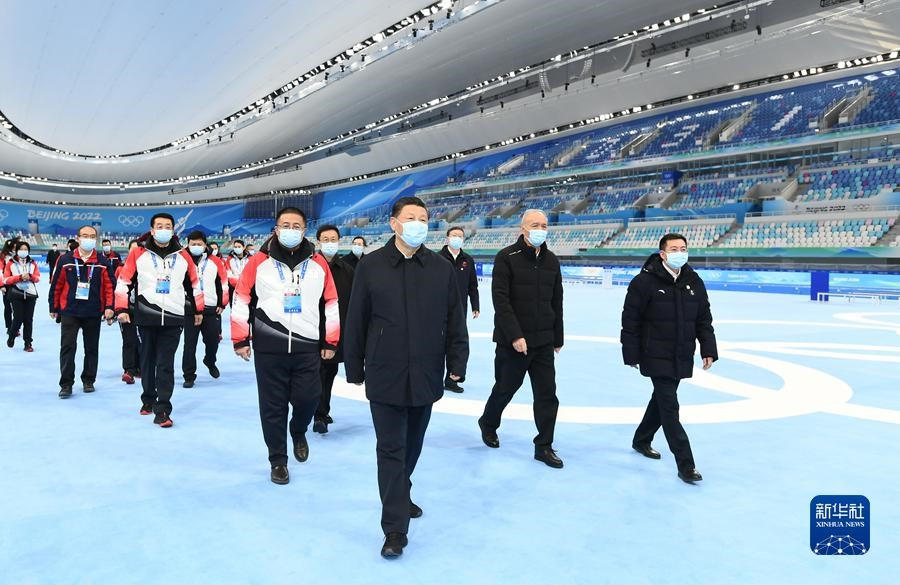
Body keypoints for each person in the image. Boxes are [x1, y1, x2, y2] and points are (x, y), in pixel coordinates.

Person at [344, 196, 468, 559]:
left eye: (424, 219)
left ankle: (400, 491)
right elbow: (357, 319)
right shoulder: (371, 265)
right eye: (411, 217)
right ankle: (395, 529)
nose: (418, 224)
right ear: (394, 223)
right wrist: (354, 367)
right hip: (385, 372)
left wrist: (457, 361)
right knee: (391, 449)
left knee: (412, 446)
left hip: (426, 373)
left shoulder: (440, 268)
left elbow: (455, 318)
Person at [232, 208, 340, 485]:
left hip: (307, 346)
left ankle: (298, 429)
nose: (291, 230)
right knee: (272, 407)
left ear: (304, 230)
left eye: (296, 225)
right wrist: (240, 337)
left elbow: (331, 301)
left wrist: (330, 340)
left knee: (309, 398)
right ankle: (278, 460)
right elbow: (241, 296)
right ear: (276, 229)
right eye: (285, 225)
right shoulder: (259, 260)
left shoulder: (318, 262)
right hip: (269, 347)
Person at [620, 233, 717, 484]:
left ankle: (641, 439)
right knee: (670, 408)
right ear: (662, 254)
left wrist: (708, 348)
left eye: (683, 248)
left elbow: (703, 318)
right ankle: (686, 464)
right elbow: (630, 320)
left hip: (681, 353)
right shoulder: (643, 282)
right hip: (654, 353)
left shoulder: (694, 281)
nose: (679, 253)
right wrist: (631, 353)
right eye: (674, 249)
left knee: (661, 401)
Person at [478, 209, 565, 469]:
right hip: (513, 343)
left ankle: (544, 446)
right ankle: (488, 423)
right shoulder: (506, 257)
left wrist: (557, 336)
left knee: (547, 395)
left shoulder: (552, 260)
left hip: (543, 341)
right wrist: (515, 335)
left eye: (544, 225)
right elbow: (501, 300)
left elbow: (557, 301)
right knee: (505, 388)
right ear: (523, 228)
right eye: (535, 225)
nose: (540, 229)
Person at [115, 213, 204, 427]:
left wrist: (198, 309)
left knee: (165, 363)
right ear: (152, 230)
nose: (164, 229)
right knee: (147, 361)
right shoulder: (138, 253)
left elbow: (194, 284)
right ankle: (148, 398)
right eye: (160, 226)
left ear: (173, 230)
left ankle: (163, 409)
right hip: (146, 316)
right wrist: (122, 308)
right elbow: (124, 281)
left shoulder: (183, 255)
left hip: (174, 318)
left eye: (168, 226)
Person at [49, 226, 115, 398]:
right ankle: (66, 384)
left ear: (96, 239)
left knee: (91, 348)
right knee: (67, 347)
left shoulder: (102, 261)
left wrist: (110, 307)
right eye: (85, 236)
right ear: (78, 238)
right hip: (70, 311)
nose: (88, 239)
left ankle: (88, 380)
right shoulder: (66, 260)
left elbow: (109, 286)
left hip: (93, 311)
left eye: (92, 236)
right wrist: (53, 307)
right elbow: (57, 284)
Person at [313, 224, 355, 434]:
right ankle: (315, 412)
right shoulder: (309, 267)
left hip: (336, 333)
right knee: (314, 375)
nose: (330, 243)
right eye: (325, 240)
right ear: (318, 242)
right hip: (311, 331)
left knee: (328, 373)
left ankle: (322, 412)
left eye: (333, 239)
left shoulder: (348, 271)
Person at [182, 231, 228, 388]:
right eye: (193, 244)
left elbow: (222, 283)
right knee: (189, 344)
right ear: (188, 244)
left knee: (213, 340)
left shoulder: (215, 261)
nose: (196, 246)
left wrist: (222, 303)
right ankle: (189, 375)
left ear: (205, 245)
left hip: (210, 307)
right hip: (190, 308)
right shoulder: (182, 260)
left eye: (199, 244)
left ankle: (210, 360)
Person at [438, 226, 480, 393]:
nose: (457, 238)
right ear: (447, 238)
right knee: (437, 344)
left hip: (460, 309)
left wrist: (475, 306)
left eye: (460, 236)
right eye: (454, 235)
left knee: (457, 344)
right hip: (438, 309)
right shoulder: (437, 258)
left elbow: (473, 286)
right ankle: (433, 378)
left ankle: (452, 379)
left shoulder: (468, 260)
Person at [3, 241, 40, 351]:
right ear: (17, 251)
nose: (23, 251)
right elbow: (5, 279)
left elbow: (38, 278)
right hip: (16, 293)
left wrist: (30, 276)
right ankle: (12, 335)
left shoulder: (33, 263)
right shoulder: (10, 263)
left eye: (26, 249)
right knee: (18, 318)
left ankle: (28, 343)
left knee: (28, 320)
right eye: (21, 249)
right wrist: (19, 277)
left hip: (30, 294)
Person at [117, 240, 142, 384]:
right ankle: (129, 370)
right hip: (126, 309)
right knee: (129, 340)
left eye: (138, 249)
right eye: (132, 249)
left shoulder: (148, 269)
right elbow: (116, 289)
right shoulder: (121, 268)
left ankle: (142, 367)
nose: (135, 252)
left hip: (144, 310)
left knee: (143, 340)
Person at [225, 239, 250, 306]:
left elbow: (251, 273)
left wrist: (245, 284)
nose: (237, 248)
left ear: (244, 247)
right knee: (234, 308)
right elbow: (228, 273)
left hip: (246, 288)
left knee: (246, 308)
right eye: (235, 247)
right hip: (233, 288)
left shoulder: (250, 259)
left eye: (239, 247)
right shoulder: (229, 259)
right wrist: (236, 283)